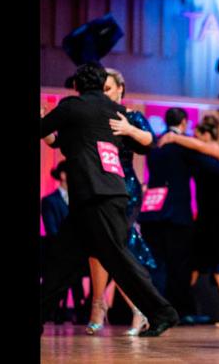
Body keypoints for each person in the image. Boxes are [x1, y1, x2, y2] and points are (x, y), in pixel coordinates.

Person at [40, 62, 178, 337]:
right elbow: (146, 144)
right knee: (62, 261)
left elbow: (50, 134)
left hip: (96, 195)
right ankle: (159, 312)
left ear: (77, 85)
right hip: (106, 194)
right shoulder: (115, 111)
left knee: (116, 258)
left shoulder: (72, 107)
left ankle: (162, 312)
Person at [83, 67, 159, 336]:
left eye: (107, 89)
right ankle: (102, 306)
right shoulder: (92, 115)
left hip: (125, 188)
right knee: (98, 247)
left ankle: (126, 309)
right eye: (100, 89)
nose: (102, 94)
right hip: (96, 187)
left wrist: (128, 128)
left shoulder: (131, 116)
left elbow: (151, 140)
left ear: (120, 90)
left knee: (112, 247)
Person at [157, 114, 219, 328]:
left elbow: (205, 150)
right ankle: (177, 308)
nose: (193, 140)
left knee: (217, 258)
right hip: (204, 215)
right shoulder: (199, 154)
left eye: (196, 136)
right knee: (194, 261)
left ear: (205, 135)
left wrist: (175, 138)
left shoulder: (216, 149)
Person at [41, 160, 89, 324]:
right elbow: (51, 230)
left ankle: (87, 307)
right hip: (59, 251)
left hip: (81, 251)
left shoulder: (81, 200)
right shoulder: (49, 201)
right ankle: (74, 310)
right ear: (63, 175)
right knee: (69, 265)